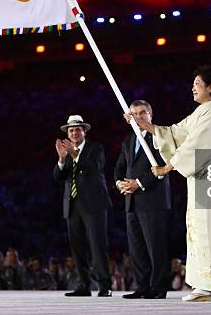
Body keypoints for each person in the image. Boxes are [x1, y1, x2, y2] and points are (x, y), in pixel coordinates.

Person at [129, 65, 211, 302]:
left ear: (210, 87)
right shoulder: (201, 112)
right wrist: (144, 125)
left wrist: (167, 166)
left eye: (197, 84)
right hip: (198, 176)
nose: (193, 88)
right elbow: (176, 132)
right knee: (197, 228)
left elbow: (195, 144)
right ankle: (204, 284)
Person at [116, 99, 171, 299]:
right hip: (132, 201)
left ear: (150, 114)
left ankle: (158, 288)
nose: (138, 117)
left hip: (153, 200)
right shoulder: (128, 140)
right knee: (137, 248)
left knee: (155, 246)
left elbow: (163, 165)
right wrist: (119, 183)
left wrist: (138, 182)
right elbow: (120, 167)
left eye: (142, 113)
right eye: (134, 114)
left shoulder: (159, 137)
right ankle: (143, 287)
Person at [54, 115, 113, 297]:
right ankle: (83, 285)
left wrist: (75, 154)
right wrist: (62, 159)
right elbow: (58, 178)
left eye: (77, 129)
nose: (74, 132)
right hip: (72, 205)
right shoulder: (68, 152)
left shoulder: (95, 149)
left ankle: (104, 286)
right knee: (77, 247)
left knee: (97, 245)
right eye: (71, 130)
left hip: (94, 204)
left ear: (84, 131)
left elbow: (94, 168)